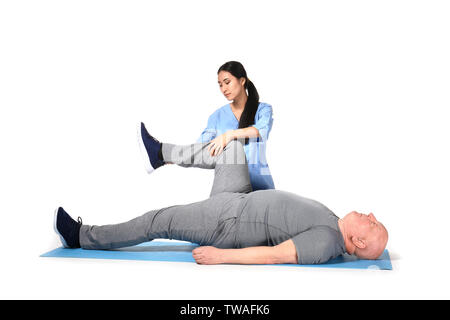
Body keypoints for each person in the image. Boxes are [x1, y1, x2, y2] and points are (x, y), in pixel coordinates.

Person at [53, 123, 388, 265]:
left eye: (373, 225)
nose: (370, 216)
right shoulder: (334, 223)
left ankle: (80, 236)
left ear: (358, 243)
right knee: (231, 151)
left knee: (158, 220)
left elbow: (274, 256)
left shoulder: (328, 242)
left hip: (226, 223)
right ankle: (160, 153)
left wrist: (221, 256)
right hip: (238, 198)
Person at [196, 61, 275, 191]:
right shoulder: (216, 117)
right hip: (230, 186)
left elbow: (259, 131)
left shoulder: (263, 110)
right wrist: (168, 156)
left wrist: (229, 135)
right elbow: (200, 148)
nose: (223, 89)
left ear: (242, 80)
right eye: (220, 85)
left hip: (261, 186)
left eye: (227, 82)